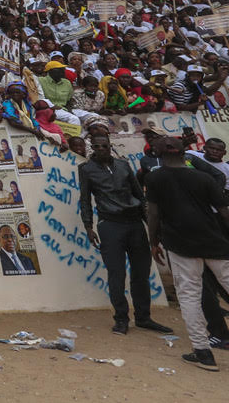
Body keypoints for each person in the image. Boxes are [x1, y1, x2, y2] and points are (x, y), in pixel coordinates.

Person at [146, 135, 229, 371]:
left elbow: (153, 213)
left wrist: (154, 242)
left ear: (159, 154)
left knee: (190, 296)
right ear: (187, 153)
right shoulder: (204, 178)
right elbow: (224, 212)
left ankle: (203, 353)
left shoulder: (155, 178)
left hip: (180, 244)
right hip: (214, 241)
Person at [78, 130, 171, 335]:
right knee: (116, 274)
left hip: (134, 223)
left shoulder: (123, 165)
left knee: (141, 273)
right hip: (110, 224)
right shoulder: (86, 169)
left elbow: (139, 195)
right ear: (92, 147)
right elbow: (85, 199)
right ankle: (121, 318)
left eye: (105, 145)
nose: (102, 149)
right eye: (97, 146)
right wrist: (88, 226)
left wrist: (151, 228)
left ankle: (143, 317)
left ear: (110, 146)